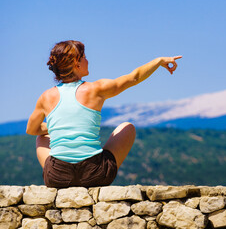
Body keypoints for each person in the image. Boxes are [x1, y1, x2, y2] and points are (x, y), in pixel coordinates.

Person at [26, 40, 182, 188]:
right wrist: (159, 60)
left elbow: (32, 130)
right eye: (85, 57)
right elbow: (133, 77)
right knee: (127, 127)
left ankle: (58, 169)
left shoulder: (46, 97)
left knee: (42, 137)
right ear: (76, 63)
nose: (88, 61)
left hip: (57, 177)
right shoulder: (96, 89)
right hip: (96, 174)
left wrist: (58, 126)